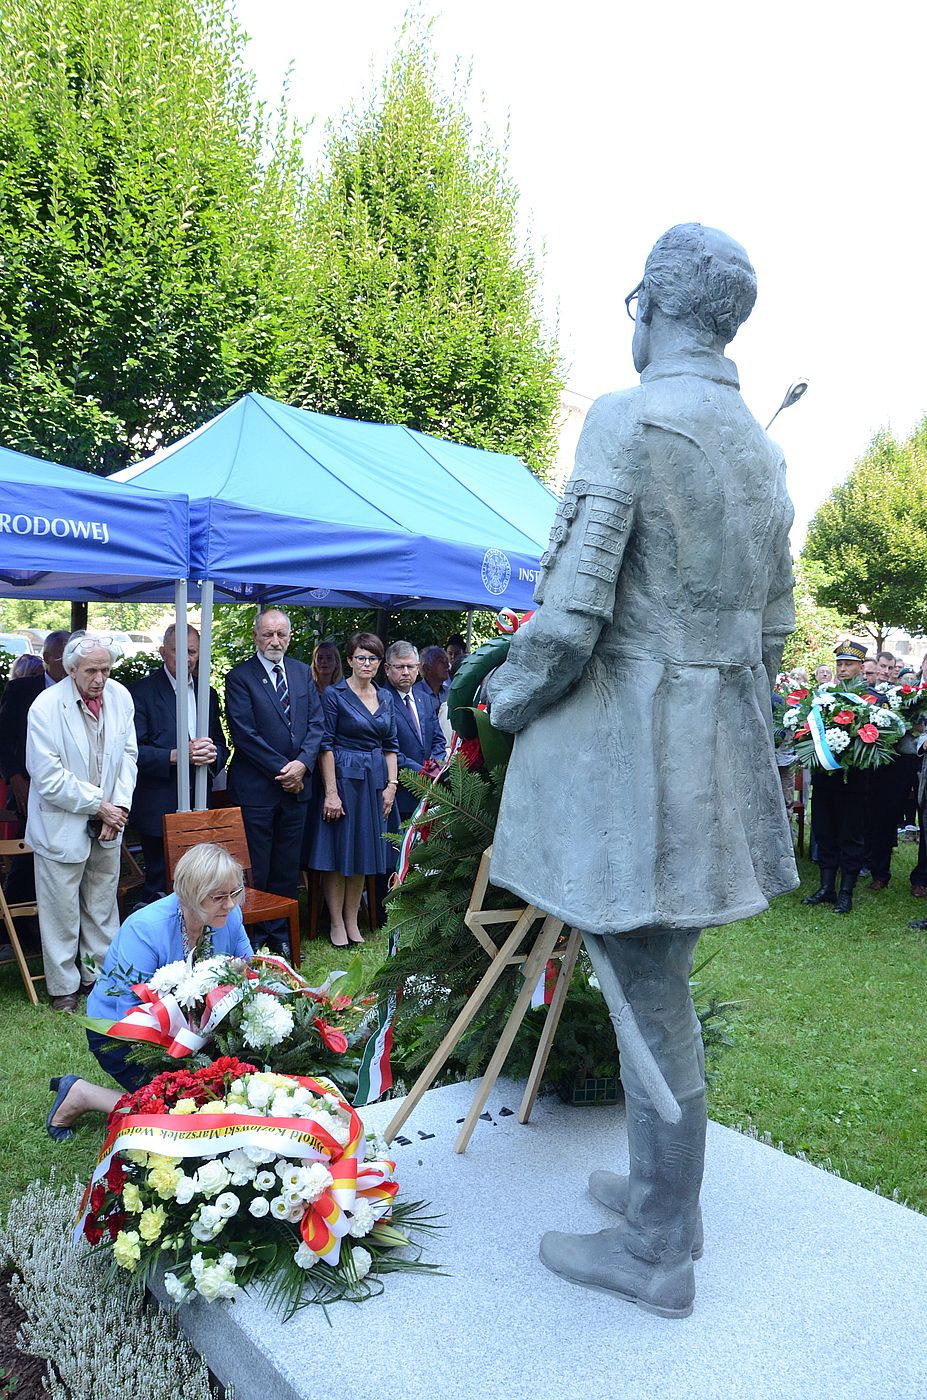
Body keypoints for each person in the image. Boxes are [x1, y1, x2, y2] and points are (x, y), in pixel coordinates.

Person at [487, 224, 797, 1318]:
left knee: (645, 993)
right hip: (713, 755)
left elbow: (572, 614)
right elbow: (775, 626)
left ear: (652, 305)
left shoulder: (629, 417)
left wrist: (505, 697)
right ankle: (669, 1200)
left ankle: (657, 1245)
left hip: (635, 763)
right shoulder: (758, 445)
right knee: (654, 985)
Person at [46, 843, 252, 1139]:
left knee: (229, 1090)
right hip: (123, 1033)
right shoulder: (145, 928)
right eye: (218, 897)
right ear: (190, 894)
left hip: (197, 1030)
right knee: (183, 1110)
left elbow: (247, 967)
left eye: (234, 893)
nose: (230, 905)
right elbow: (131, 1013)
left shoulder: (229, 915)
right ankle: (82, 1094)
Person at [25, 635, 138, 1011]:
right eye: (91, 670)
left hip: (108, 821)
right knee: (60, 910)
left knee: (102, 905)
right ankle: (63, 988)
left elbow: (129, 756)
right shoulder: (45, 706)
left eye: (106, 669)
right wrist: (99, 806)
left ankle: (97, 977)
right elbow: (47, 776)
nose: (100, 678)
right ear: (70, 669)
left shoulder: (121, 697)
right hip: (60, 823)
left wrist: (117, 806)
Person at [225, 608, 324, 956]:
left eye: (281, 634)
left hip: (297, 790)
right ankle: (253, 935)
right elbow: (244, 735)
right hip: (258, 790)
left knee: (286, 866)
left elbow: (316, 725)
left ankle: (281, 933)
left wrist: (303, 765)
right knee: (257, 867)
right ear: (256, 636)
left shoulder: (301, 672)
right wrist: (286, 771)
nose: (275, 641)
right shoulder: (240, 677)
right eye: (268, 634)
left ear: (290, 637)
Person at [308, 631, 398, 948]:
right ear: (349, 660)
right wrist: (331, 793)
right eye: (361, 657)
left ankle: (352, 920)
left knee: (363, 852)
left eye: (373, 658)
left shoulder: (386, 697)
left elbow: (391, 746)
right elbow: (325, 745)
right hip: (343, 780)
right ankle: (335, 922)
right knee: (338, 853)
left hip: (375, 782)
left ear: (380, 663)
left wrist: (391, 786)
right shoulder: (334, 695)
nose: (366, 663)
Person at [129, 624, 228, 903]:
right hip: (159, 805)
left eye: (192, 652)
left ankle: (198, 928)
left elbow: (221, 744)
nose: (186, 658)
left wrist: (213, 755)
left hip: (200, 804)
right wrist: (176, 755)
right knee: (161, 886)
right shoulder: (141, 692)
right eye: (178, 650)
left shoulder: (207, 693)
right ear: (163, 652)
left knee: (200, 880)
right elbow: (131, 752)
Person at [803, 641, 880, 913]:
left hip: (854, 782)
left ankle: (846, 891)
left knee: (850, 835)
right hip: (824, 779)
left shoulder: (872, 701)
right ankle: (827, 888)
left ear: (861, 667)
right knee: (824, 832)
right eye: (839, 664)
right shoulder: (823, 697)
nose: (843, 668)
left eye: (848, 664)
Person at [0, 629, 70, 819]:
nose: (70, 664)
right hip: (29, 783)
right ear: (47, 657)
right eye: (63, 657)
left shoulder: (84, 690)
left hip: (72, 785)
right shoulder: (20, 690)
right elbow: (3, 738)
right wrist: (15, 778)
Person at [382, 641, 447, 823]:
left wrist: (435, 765)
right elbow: (386, 747)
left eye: (410, 666)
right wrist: (421, 771)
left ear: (418, 668)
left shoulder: (424, 699)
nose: (405, 672)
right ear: (387, 669)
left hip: (430, 793)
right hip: (398, 795)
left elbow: (438, 739)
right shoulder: (380, 699)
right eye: (399, 667)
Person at [417, 645, 452, 745]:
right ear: (427, 668)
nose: (447, 666)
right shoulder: (415, 694)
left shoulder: (450, 693)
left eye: (447, 661)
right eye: (441, 662)